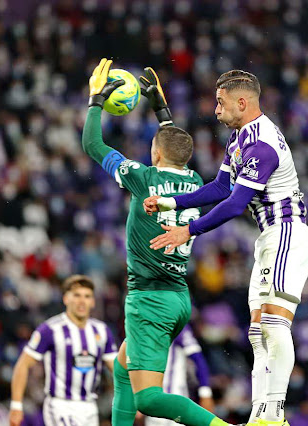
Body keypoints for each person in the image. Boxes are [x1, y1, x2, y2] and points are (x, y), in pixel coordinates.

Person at [145, 69, 308, 426]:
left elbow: (237, 204)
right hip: (270, 238)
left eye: (220, 102)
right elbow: (220, 188)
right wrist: (172, 203)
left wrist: (188, 230)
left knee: (272, 323)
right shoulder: (239, 139)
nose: (215, 108)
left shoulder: (262, 143)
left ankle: (275, 413)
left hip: (287, 232)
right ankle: (259, 414)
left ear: (243, 102)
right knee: (257, 331)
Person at [83, 58, 234, 426]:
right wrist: (162, 111)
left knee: (147, 399)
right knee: (122, 366)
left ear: (154, 154)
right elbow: (174, 147)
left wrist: (95, 102)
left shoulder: (142, 176)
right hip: (179, 298)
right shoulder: (198, 181)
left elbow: (92, 143)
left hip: (149, 298)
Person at [9, 274, 117, 426]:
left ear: (93, 302)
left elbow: (117, 369)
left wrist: (134, 397)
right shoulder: (50, 329)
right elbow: (23, 364)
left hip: (90, 406)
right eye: (77, 295)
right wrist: (16, 405)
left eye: (87, 296)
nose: (82, 301)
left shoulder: (102, 330)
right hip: (60, 406)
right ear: (66, 299)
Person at [145, 325, 215, 426]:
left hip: (175, 397)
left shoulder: (175, 323)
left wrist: (205, 394)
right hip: (151, 400)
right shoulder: (142, 323)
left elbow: (198, 358)